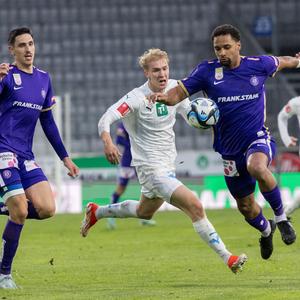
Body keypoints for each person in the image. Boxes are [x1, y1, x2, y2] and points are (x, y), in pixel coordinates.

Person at [80, 48, 247, 274]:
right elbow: (106, 118)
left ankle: (96, 212)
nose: (162, 74)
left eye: (165, 68)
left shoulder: (174, 89)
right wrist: (108, 142)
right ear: (146, 73)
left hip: (167, 167)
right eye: (156, 70)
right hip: (150, 169)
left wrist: (202, 119)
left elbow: (189, 115)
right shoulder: (136, 98)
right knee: (195, 206)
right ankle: (228, 257)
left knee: (144, 212)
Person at [148, 24, 300, 260]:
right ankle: (266, 229)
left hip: (257, 139)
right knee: (246, 207)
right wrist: (164, 98)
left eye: (227, 47)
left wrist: (297, 61)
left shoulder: (259, 65)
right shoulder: (207, 72)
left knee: (258, 167)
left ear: (238, 46)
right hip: (229, 152)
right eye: (217, 48)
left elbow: (283, 61)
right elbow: (179, 93)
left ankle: (281, 219)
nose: (222, 53)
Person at [0, 27, 79, 289]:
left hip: (25, 156)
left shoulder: (44, 79)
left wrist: (65, 158)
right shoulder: (5, 76)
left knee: (47, 209)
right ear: (12, 50)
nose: (28, 49)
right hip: (3, 151)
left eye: (31, 44)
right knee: (21, 211)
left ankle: (8, 206)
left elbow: (48, 121)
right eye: (22, 45)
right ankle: (4, 274)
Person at [107, 122, 156, 229]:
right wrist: (134, 145)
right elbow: (119, 140)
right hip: (127, 161)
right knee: (120, 189)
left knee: (147, 187)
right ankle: (110, 217)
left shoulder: (140, 121)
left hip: (140, 160)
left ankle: (144, 218)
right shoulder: (124, 123)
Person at [278, 96, 300, 216]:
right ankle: (284, 215)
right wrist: (286, 139)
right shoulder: (297, 102)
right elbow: (282, 117)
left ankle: (284, 215)